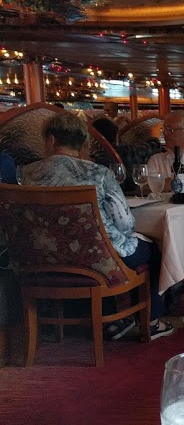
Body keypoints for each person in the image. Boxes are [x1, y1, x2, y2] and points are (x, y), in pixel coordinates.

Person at [21, 112, 173, 340]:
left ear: (50, 140)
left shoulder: (27, 173)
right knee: (153, 249)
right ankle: (151, 322)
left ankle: (110, 321)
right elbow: (125, 224)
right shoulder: (98, 173)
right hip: (97, 260)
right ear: (83, 144)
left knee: (97, 247)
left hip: (43, 259)